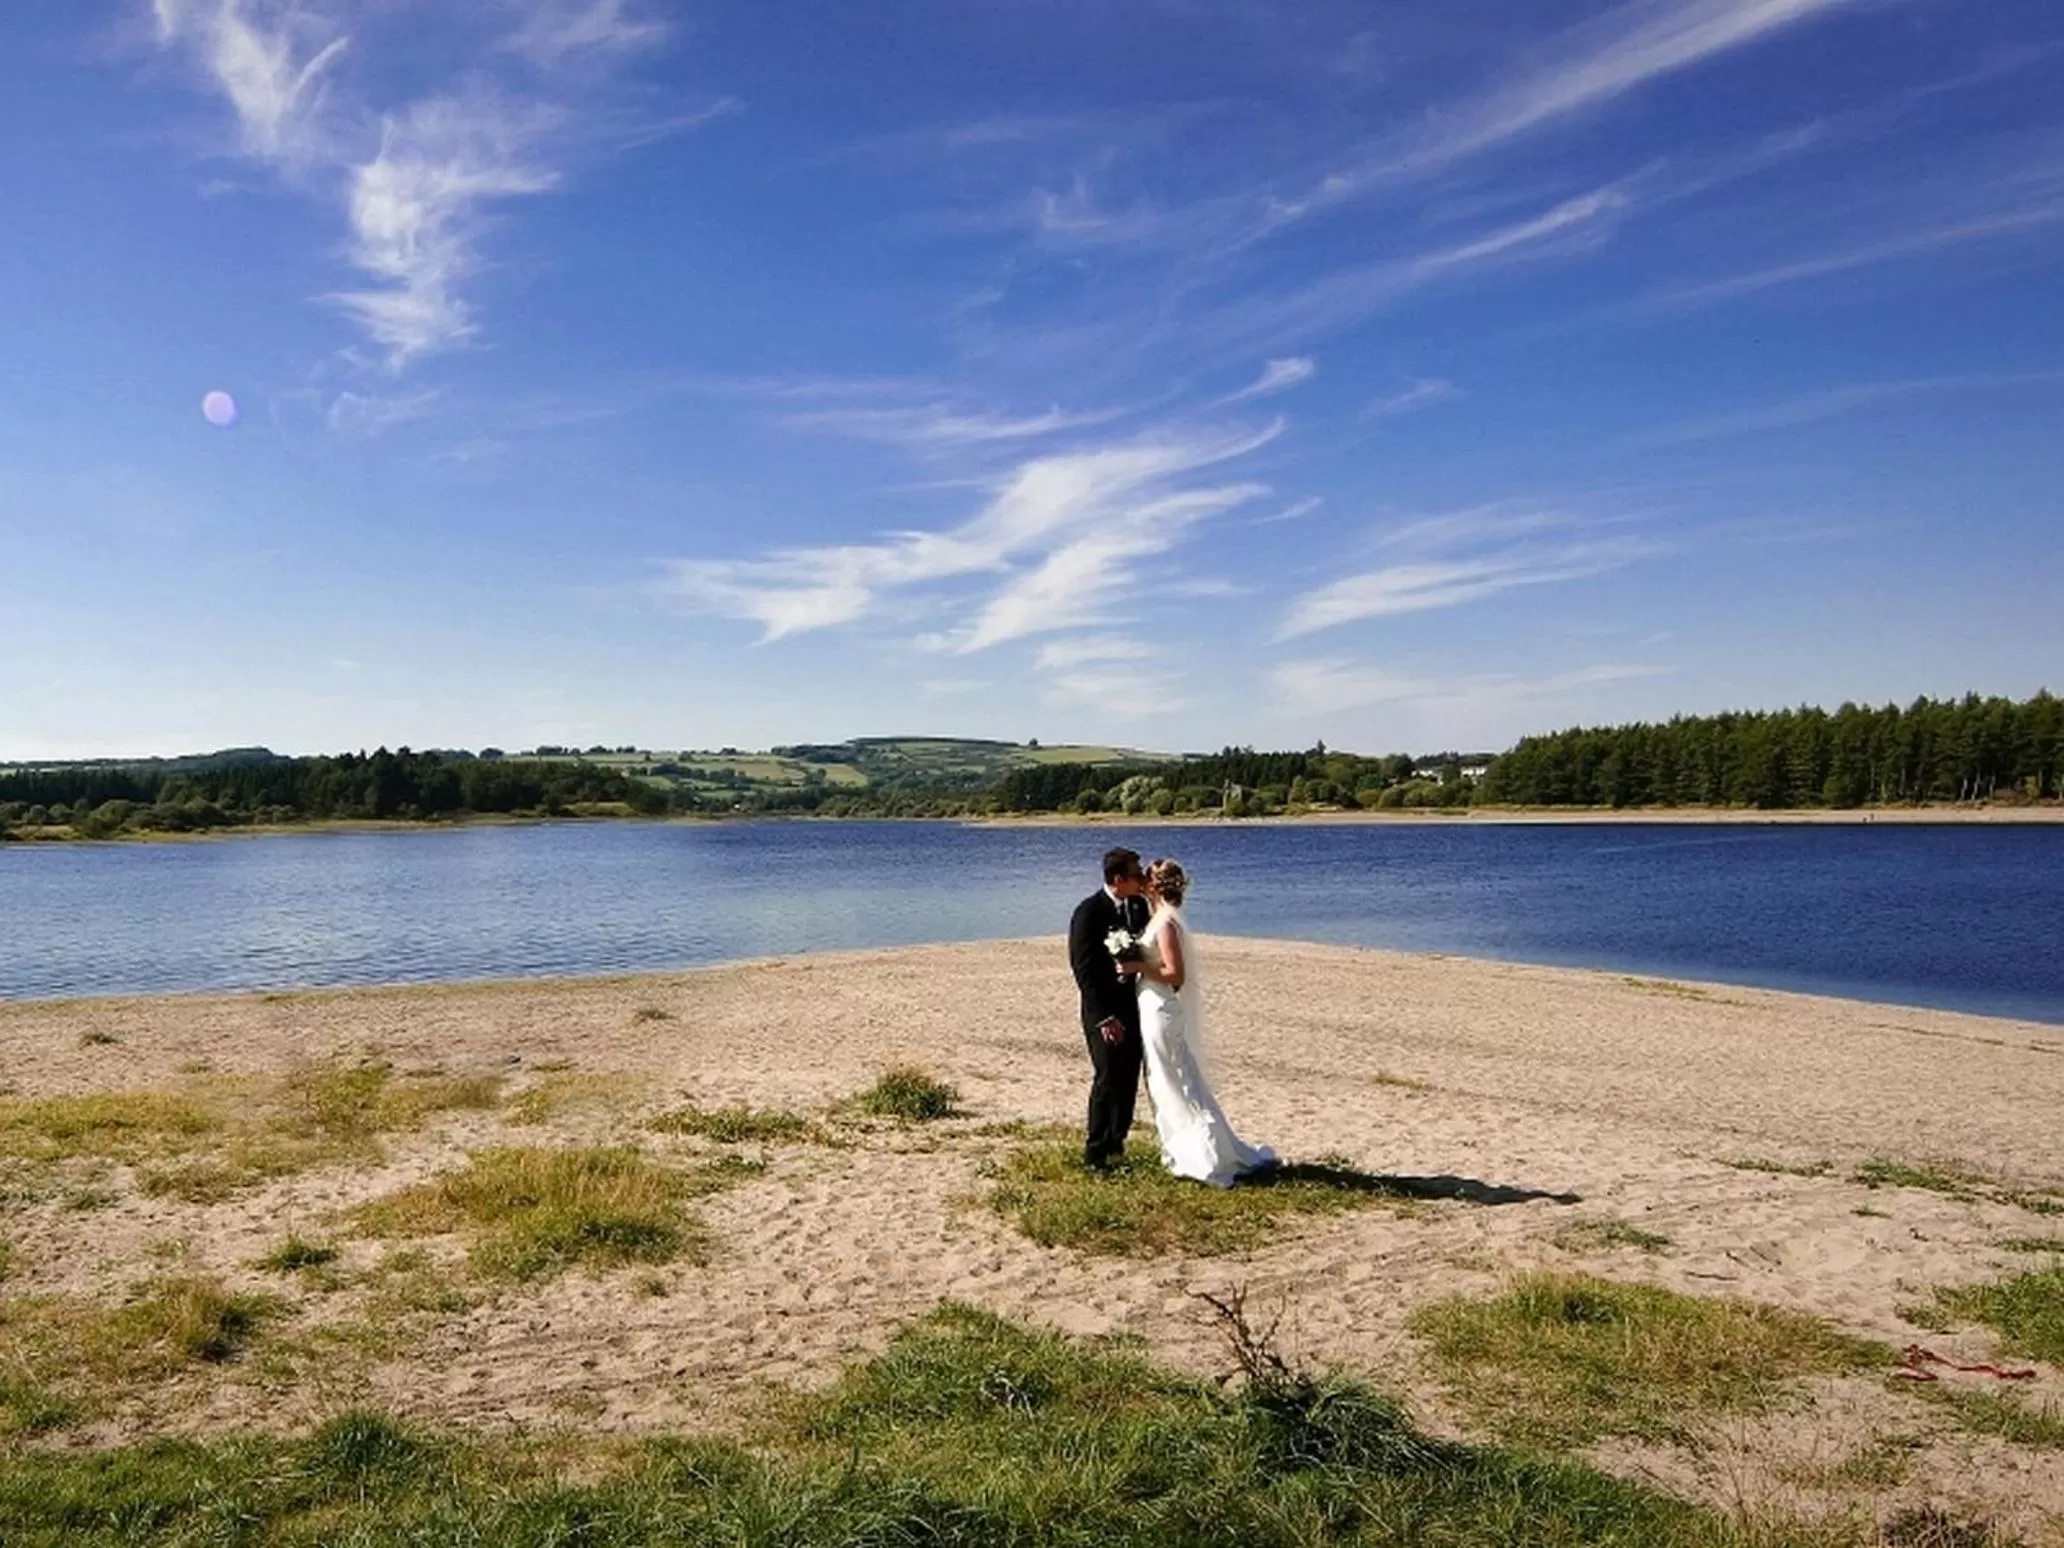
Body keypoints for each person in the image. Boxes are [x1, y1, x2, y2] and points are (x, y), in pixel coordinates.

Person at [1128, 858, 1276, 1188]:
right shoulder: (1161, 919)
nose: (1141, 884)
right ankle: (1185, 1149)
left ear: (1154, 886)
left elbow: (1174, 974)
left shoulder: (1165, 923)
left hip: (1161, 1008)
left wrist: (1138, 967)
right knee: (1165, 1079)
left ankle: (1205, 1155)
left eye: (1146, 880)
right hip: (1151, 1006)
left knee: (1176, 1078)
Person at [1068, 847, 1148, 1171]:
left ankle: (1117, 1145)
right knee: (1107, 1078)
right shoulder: (1089, 912)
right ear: (1119, 879)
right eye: (1136, 873)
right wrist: (1103, 1017)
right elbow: (1083, 969)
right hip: (1102, 1012)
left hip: (1133, 1006)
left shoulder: (1137, 906)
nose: (1141, 879)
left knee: (1128, 1077)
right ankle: (1095, 1154)